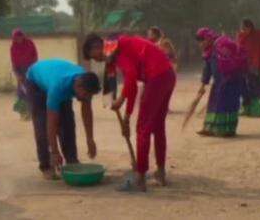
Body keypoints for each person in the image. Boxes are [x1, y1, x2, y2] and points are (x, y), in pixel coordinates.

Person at [83, 33, 176, 192]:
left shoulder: (117, 49)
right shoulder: (116, 49)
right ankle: (160, 172)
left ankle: (140, 177)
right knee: (158, 127)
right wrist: (123, 109)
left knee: (143, 128)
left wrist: (123, 108)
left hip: (157, 76)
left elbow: (131, 79)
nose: (97, 61)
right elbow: (130, 83)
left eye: (95, 57)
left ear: (98, 47)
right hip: (167, 75)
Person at [25, 59, 101, 180]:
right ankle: (46, 165)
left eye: (90, 96)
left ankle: (71, 160)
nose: (88, 98)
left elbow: (86, 113)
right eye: (86, 95)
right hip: (35, 82)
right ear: (78, 86)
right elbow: (51, 124)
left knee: (68, 124)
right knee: (42, 125)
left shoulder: (84, 83)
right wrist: (54, 152)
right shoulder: (57, 88)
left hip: (57, 76)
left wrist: (90, 139)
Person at [196, 28, 246, 137]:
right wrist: (203, 85)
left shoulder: (220, 47)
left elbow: (229, 65)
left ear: (208, 38)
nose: (200, 44)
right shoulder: (208, 51)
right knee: (214, 104)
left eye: (202, 41)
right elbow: (207, 69)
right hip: (219, 82)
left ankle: (227, 130)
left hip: (231, 81)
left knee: (227, 105)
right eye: (199, 42)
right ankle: (210, 128)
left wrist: (227, 79)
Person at [237, 19, 260, 117]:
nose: (243, 30)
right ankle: (246, 109)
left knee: (259, 88)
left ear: (250, 27)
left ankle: (258, 111)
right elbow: (238, 50)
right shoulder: (241, 36)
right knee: (245, 88)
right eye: (242, 29)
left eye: (244, 28)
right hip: (245, 67)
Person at [10, 28, 38, 120]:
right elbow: (14, 62)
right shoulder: (13, 47)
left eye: (19, 37)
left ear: (22, 36)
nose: (18, 39)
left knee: (31, 91)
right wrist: (18, 75)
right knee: (21, 93)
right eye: (15, 38)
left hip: (31, 68)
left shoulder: (30, 43)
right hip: (20, 71)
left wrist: (33, 70)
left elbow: (35, 56)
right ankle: (23, 113)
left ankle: (33, 112)